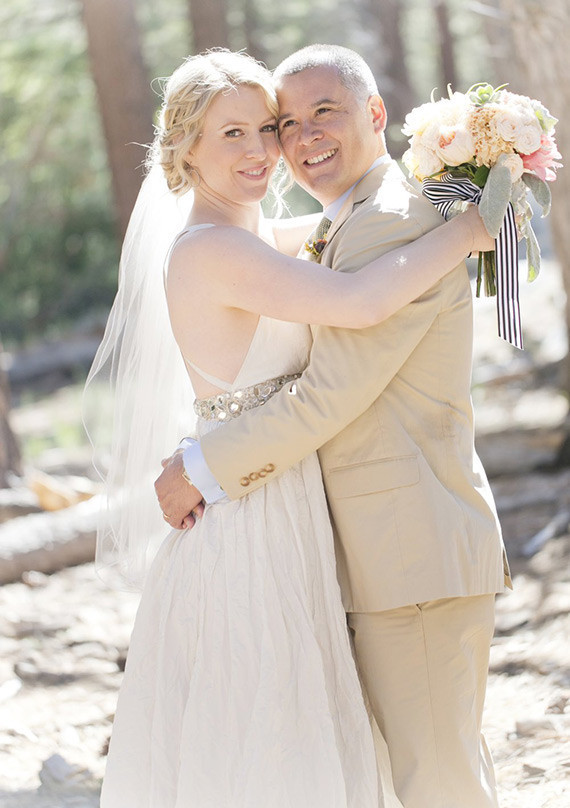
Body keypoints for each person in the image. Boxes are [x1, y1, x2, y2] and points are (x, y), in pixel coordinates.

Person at [89, 49, 493, 808]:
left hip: (292, 509)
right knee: (268, 741)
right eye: (231, 134)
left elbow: (349, 224)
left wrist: (445, 181)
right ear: (187, 150)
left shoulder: (248, 239)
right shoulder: (213, 250)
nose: (261, 150)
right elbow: (365, 300)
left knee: (306, 737)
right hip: (249, 521)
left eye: (263, 129)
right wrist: (467, 230)